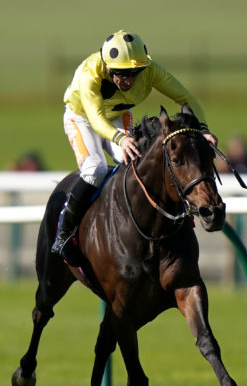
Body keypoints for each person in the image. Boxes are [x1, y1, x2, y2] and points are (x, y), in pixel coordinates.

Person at [53, 30, 217, 264]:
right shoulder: (90, 73)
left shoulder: (151, 70)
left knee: (137, 162)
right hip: (83, 118)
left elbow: (187, 98)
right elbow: (96, 116)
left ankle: (170, 217)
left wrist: (203, 130)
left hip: (118, 116)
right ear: (108, 68)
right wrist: (120, 139)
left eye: (134, 73)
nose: (129, 81)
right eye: (122, 75)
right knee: (95, 169)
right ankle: (64, 232)